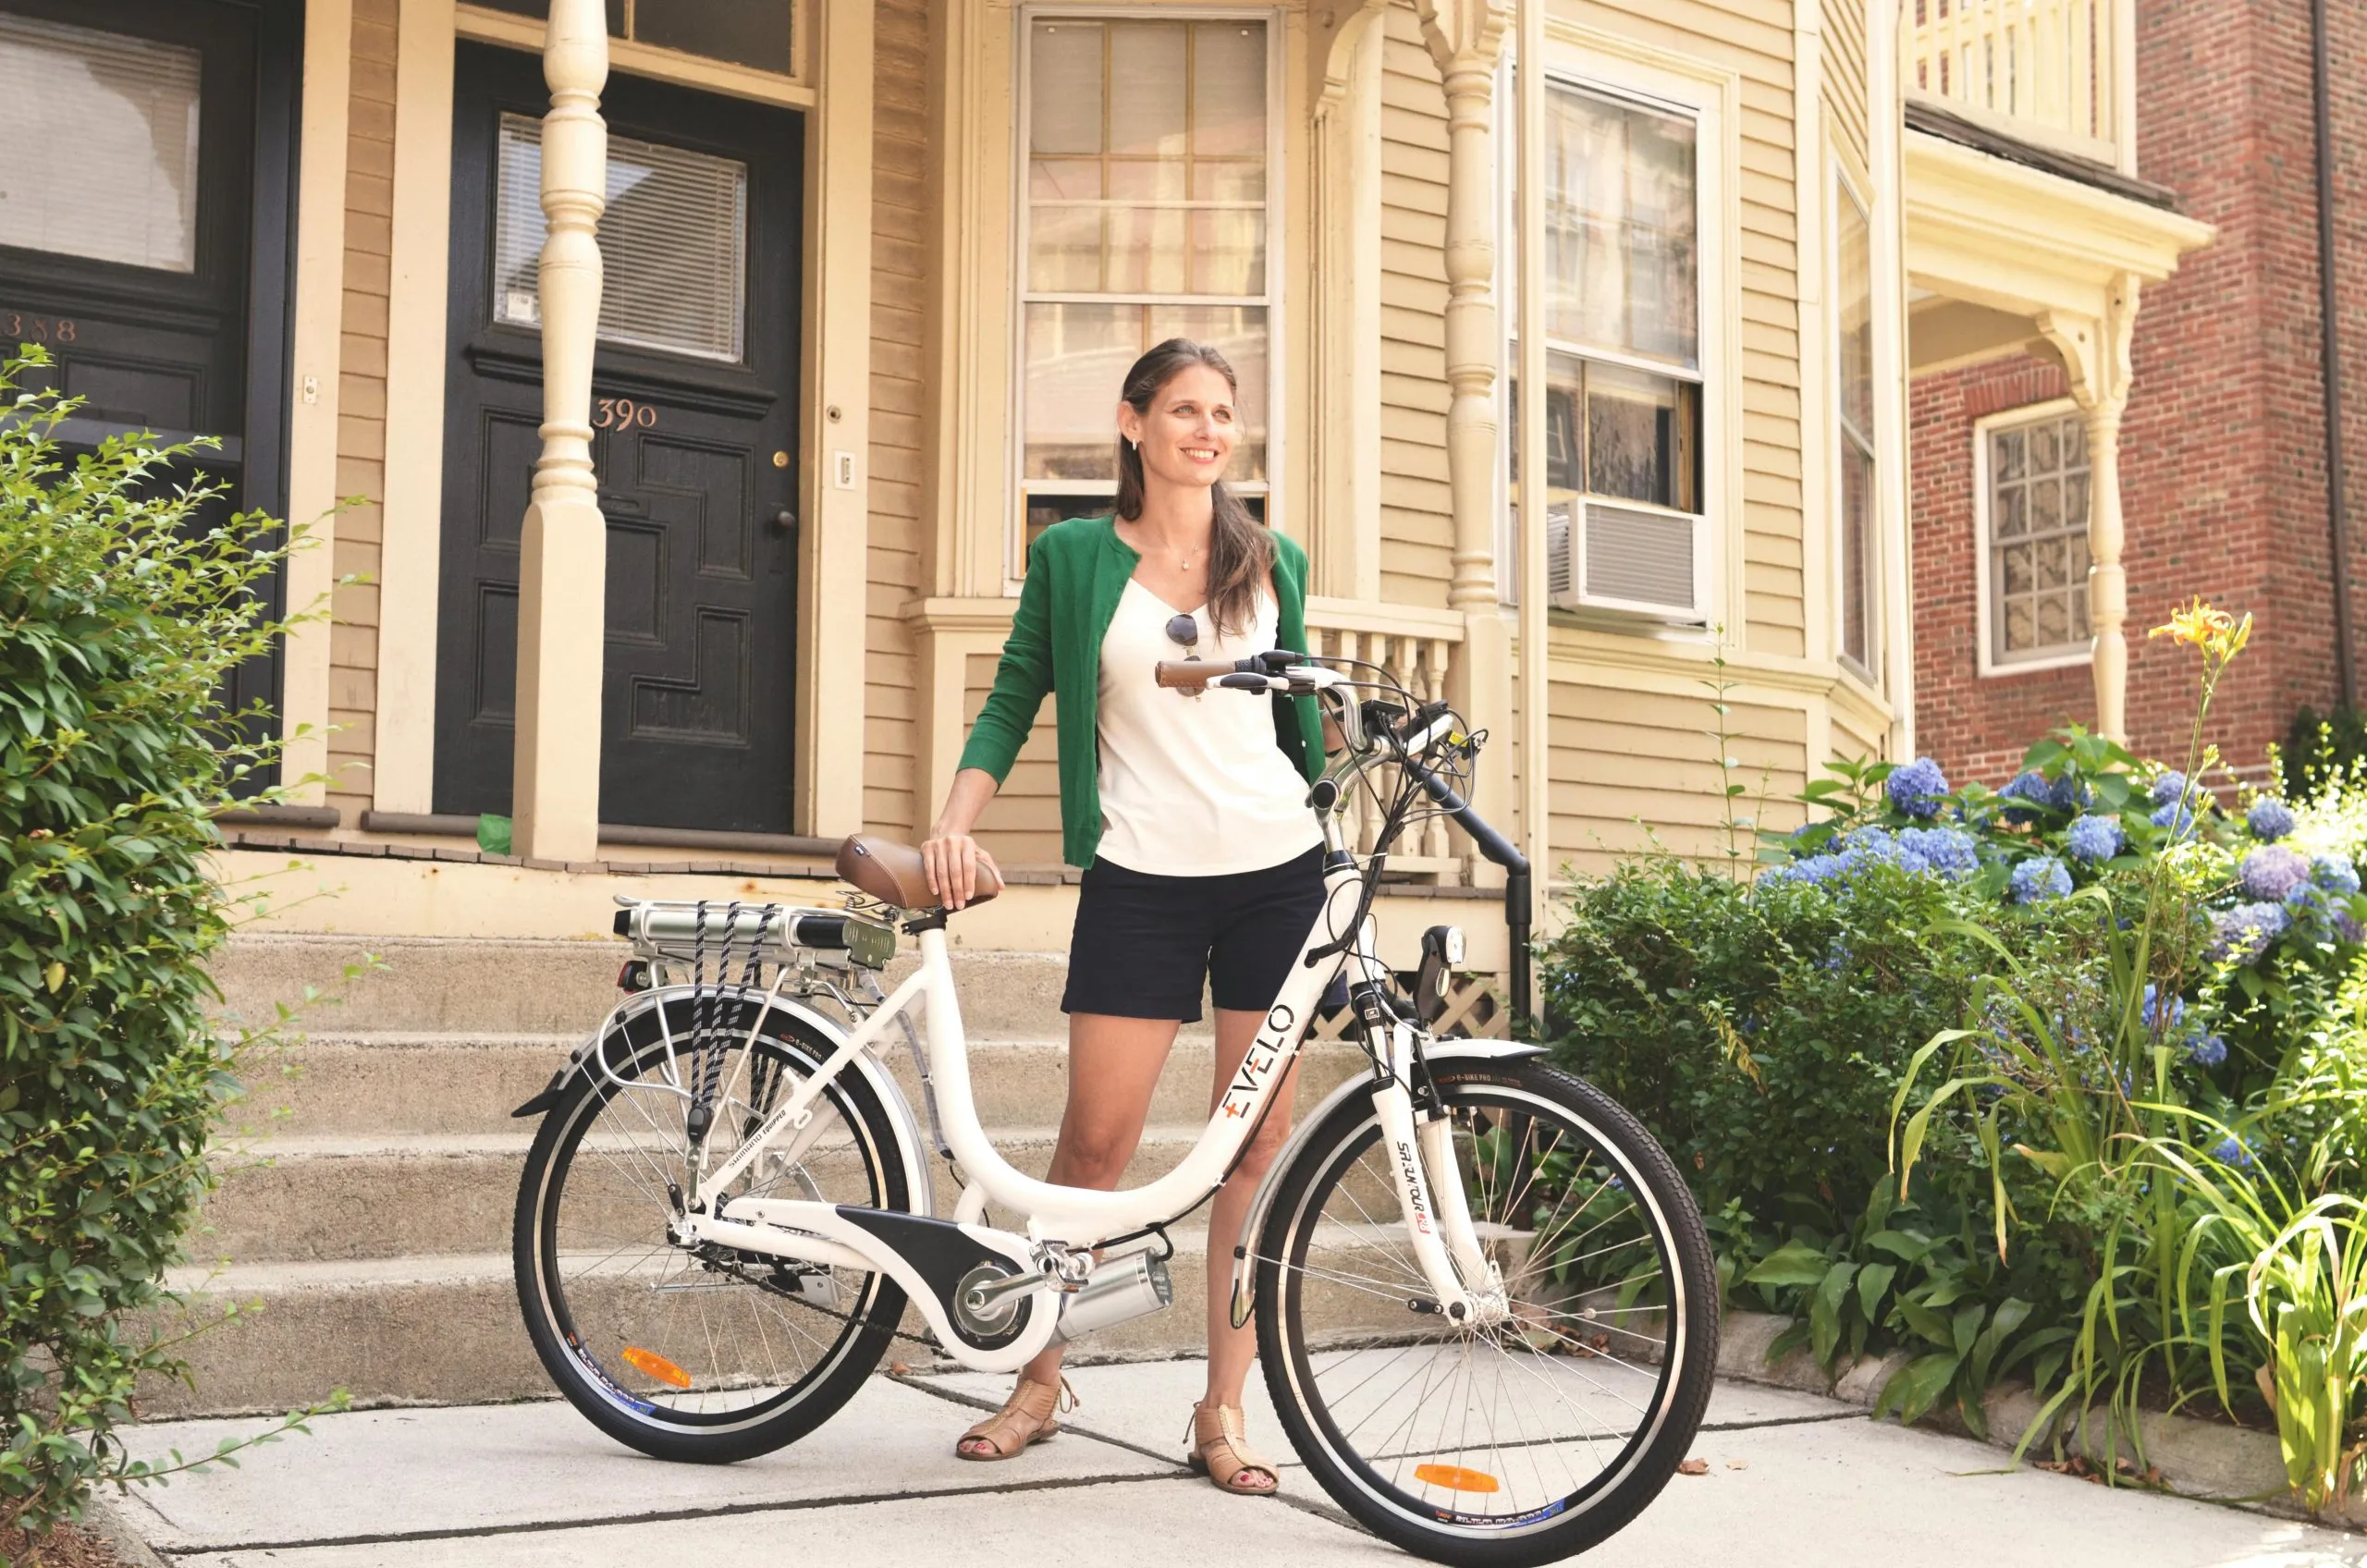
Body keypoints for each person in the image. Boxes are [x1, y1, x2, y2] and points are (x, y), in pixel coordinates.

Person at [919, 338, 1327, 1497]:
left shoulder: (1272, 560)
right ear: (1133, 422)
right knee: (1092, 1148)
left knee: (1250, 1146)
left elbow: (1300, 723)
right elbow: (1012, 697)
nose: (1208, 430)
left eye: (1224, 413)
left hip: (1277, 875)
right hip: (1141, 877)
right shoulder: (1072, 557)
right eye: (1185, 410)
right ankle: (1039, 1376)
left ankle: (1224, 1407)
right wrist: (957, 823)